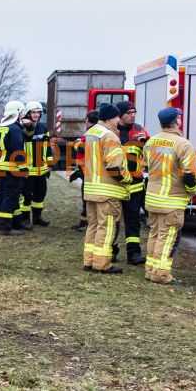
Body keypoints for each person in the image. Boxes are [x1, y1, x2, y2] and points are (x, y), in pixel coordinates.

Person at [141, 106, 196, 284]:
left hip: (152, 198)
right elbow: (190, 175)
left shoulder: (151, 142)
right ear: (177, 121)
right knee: (167, 238)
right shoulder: (183, 144)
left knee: (155, 234)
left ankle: (151, 270)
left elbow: (146, 166)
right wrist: (192, 191)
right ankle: (161, 274)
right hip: (171, 200)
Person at [79, 101, 128, 272]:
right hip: (107, 191)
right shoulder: (110, 136)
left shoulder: (91, 133)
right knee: (106, 227)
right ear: (109, 118)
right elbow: (114, 167)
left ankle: (89, 261)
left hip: (91, 189)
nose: (118, 120)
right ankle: (101, 264)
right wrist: (126, 180)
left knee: (93, 226)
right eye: (116, 117)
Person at [114, 100, 149, 269]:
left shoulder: (140, 130)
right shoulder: (111, 131)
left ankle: (134, 253)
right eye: (129, 113)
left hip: (135, 185)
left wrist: (145, 143)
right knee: (112, 221)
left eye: (134, 112)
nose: (133, 115)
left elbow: (150, 154)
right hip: (115, 184)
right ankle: (110, 251)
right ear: (120, 115)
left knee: (133, 221)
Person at [0, 100, 29, 234]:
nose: (22, 116)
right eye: (21, 113)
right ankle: (5, 227)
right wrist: (23, 168)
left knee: (0, 196)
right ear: (16, 113)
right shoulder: (15, 129)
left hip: (0, 168)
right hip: (12, 169)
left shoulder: (0, 128)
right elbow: (18, 151)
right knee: (10, 197)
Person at [20, 101, 51, 228]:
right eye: (33, 112)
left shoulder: (43, 127)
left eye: (38, 112)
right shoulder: (22, 128)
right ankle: (25, 219)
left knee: (40, 194)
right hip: (28, 168)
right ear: (28, 113)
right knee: (27, 195)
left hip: (41, 168)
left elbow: (47, 146)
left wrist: (49, 163)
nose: (36, 115)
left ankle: (37, 218)